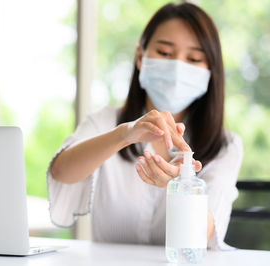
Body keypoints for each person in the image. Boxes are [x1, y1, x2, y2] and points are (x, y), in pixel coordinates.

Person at [47, 2, 243, 250]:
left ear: (210, 73)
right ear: (141, 57)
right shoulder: (104, 122)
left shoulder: (226, 145)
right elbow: (61, 173)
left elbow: (202, 237)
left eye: (193, 58)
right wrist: (123, 135)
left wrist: (179, 187)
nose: (177, 67)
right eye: (164, 53)